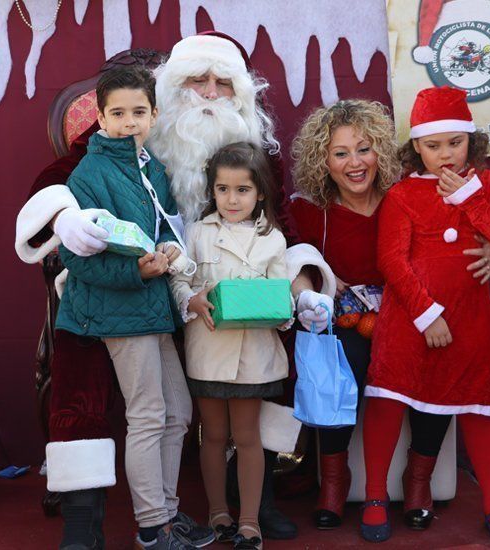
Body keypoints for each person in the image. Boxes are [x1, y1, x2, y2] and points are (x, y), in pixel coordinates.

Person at [15, 33, 335, 546]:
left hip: (214, 294)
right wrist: (67, 218)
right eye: (197, 80)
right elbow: (56, 184)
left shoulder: (256, 155)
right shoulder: (133, 131)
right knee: (84, 364)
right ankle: (85, 510)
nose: (209, 93)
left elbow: (286, 235)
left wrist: (301, 291)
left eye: (222, 82)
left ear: (241, 94)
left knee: (278, 340)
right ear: (168, 90)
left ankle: (253, 494)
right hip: (131, 295)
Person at [359, 86, 490, 545]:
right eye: (433, 146)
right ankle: (375, 498)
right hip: (410, 322)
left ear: (471, 140)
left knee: (481, 407)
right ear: (416, 146)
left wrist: (471, 198)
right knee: (388, 402)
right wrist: (428, 315)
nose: (446, 154)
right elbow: (392, 262)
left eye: (455, 143)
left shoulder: (487, 185)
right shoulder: (401, 195)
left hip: (472, 323)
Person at [56, 65, 209, 550]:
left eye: (138, 112)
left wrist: (169, 251)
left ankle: (166, 514)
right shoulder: (89, 174)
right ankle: (151, 527)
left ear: (154, 114)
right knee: (147, 415)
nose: (129, 122)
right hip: (117, 310)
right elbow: (74, 259)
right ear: (99, 118)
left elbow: (165, 226)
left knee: (178, 412)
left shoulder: (153, 168)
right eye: (117, 113)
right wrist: (135, 273)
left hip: (154, 306)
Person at [289, 99, 459, 531]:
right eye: (340, 153)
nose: (354, 163)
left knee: (437, 356)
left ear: (380, 151)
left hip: (407, 312)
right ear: (322, 161)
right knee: (338, 359)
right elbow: (292, 261)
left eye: (363, 149)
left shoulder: (408, 196)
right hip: (346, 320)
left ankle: (417, 480)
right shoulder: (311, 211)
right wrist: (314, 282)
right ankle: (334, 479)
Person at [171, 142, 291, 550]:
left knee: (248, 436)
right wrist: (190, 299)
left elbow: (284, 299)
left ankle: (249, 522)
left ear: (260, 193)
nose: (232, 198)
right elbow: (180, 281)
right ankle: (218, 512)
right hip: (208, 352)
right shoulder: (197, 232)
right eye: (223, 189)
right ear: (212, 191)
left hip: (253, 355)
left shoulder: (273, 239)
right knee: (213, 435)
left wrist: (278, 307)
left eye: (242, 190)